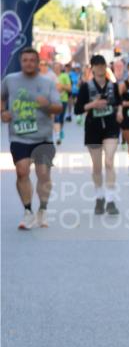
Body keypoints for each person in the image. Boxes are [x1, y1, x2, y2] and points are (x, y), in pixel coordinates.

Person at [2, 48, 61, 229]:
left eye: (32, 60)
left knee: (43, 175)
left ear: (38, 62)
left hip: (43, 136)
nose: (28, 63)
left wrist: (47, 106)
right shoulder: (10, 80)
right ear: (21, 62)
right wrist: (3, 111)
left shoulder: (47, 83)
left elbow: (58, 108)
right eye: (25, 60)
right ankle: (28, 211)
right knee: (22, 171)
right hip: (19, 135)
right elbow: (1, 98)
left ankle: (42, 210)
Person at [76, 54, 122, 215]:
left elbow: (119, 103)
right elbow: (77, 109)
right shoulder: (86, 87)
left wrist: (120, 112)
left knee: (109, 162)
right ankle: (99, 196)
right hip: (93, 128)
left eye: (102, 65)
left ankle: (110, 200)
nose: (100, 68)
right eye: (97, 65)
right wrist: (93, 104)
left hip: (110, 127)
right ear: (92, 68)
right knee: (97, 166)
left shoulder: (113, 86)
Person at [54, 62, 72, 145]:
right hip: (53, 101)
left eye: (58, 68)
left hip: (63, 100)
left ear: (61, 68)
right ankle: (57, 135)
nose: (57, 69)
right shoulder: (51, 76)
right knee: (56, 118)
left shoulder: (65, 76)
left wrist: (62, 86)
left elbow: (69, 88)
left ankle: (60, 130)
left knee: (61, 118)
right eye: (55, 68)